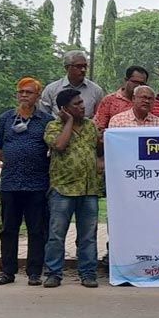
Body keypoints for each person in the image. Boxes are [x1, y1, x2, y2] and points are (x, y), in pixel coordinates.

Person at [0, 77, 53, 286]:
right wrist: (15, 159)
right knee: (8, 229)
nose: (24, 95)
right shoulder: (7, 118)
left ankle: (34, 272)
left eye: (29, 92)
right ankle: (7, 271)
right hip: (10, 184)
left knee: (36, 230)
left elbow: (53, 148)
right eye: (21, 92)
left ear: (38, 96)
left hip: (37, 184)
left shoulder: (46, 120)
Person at [43, 89, 103, 288]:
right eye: (76, 104)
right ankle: (54, 273)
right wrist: (68, 122)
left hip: (88, 189)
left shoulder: (91, 126)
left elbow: (98, 150)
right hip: (63, 189)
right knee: (57, 235)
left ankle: (88, 273)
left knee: (88, 235)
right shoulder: (53, 126)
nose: (82, 106)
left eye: (82, 102)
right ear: (64, 109)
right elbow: (59, 146)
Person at [94, 66, 159, 129]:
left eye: (142, 83)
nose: (138, 86)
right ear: (126, 80)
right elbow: (100, 126)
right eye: (135, 82)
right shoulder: (110, 100)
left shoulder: (149, 102)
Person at [40, 50, 105, 118]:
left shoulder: (96, 91)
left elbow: (99, 118)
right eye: (78, 66)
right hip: (57, 127)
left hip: (86, 127)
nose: (83, 70)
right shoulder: (51, 89)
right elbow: (43, 116)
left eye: (85, 66)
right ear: (67, 68)